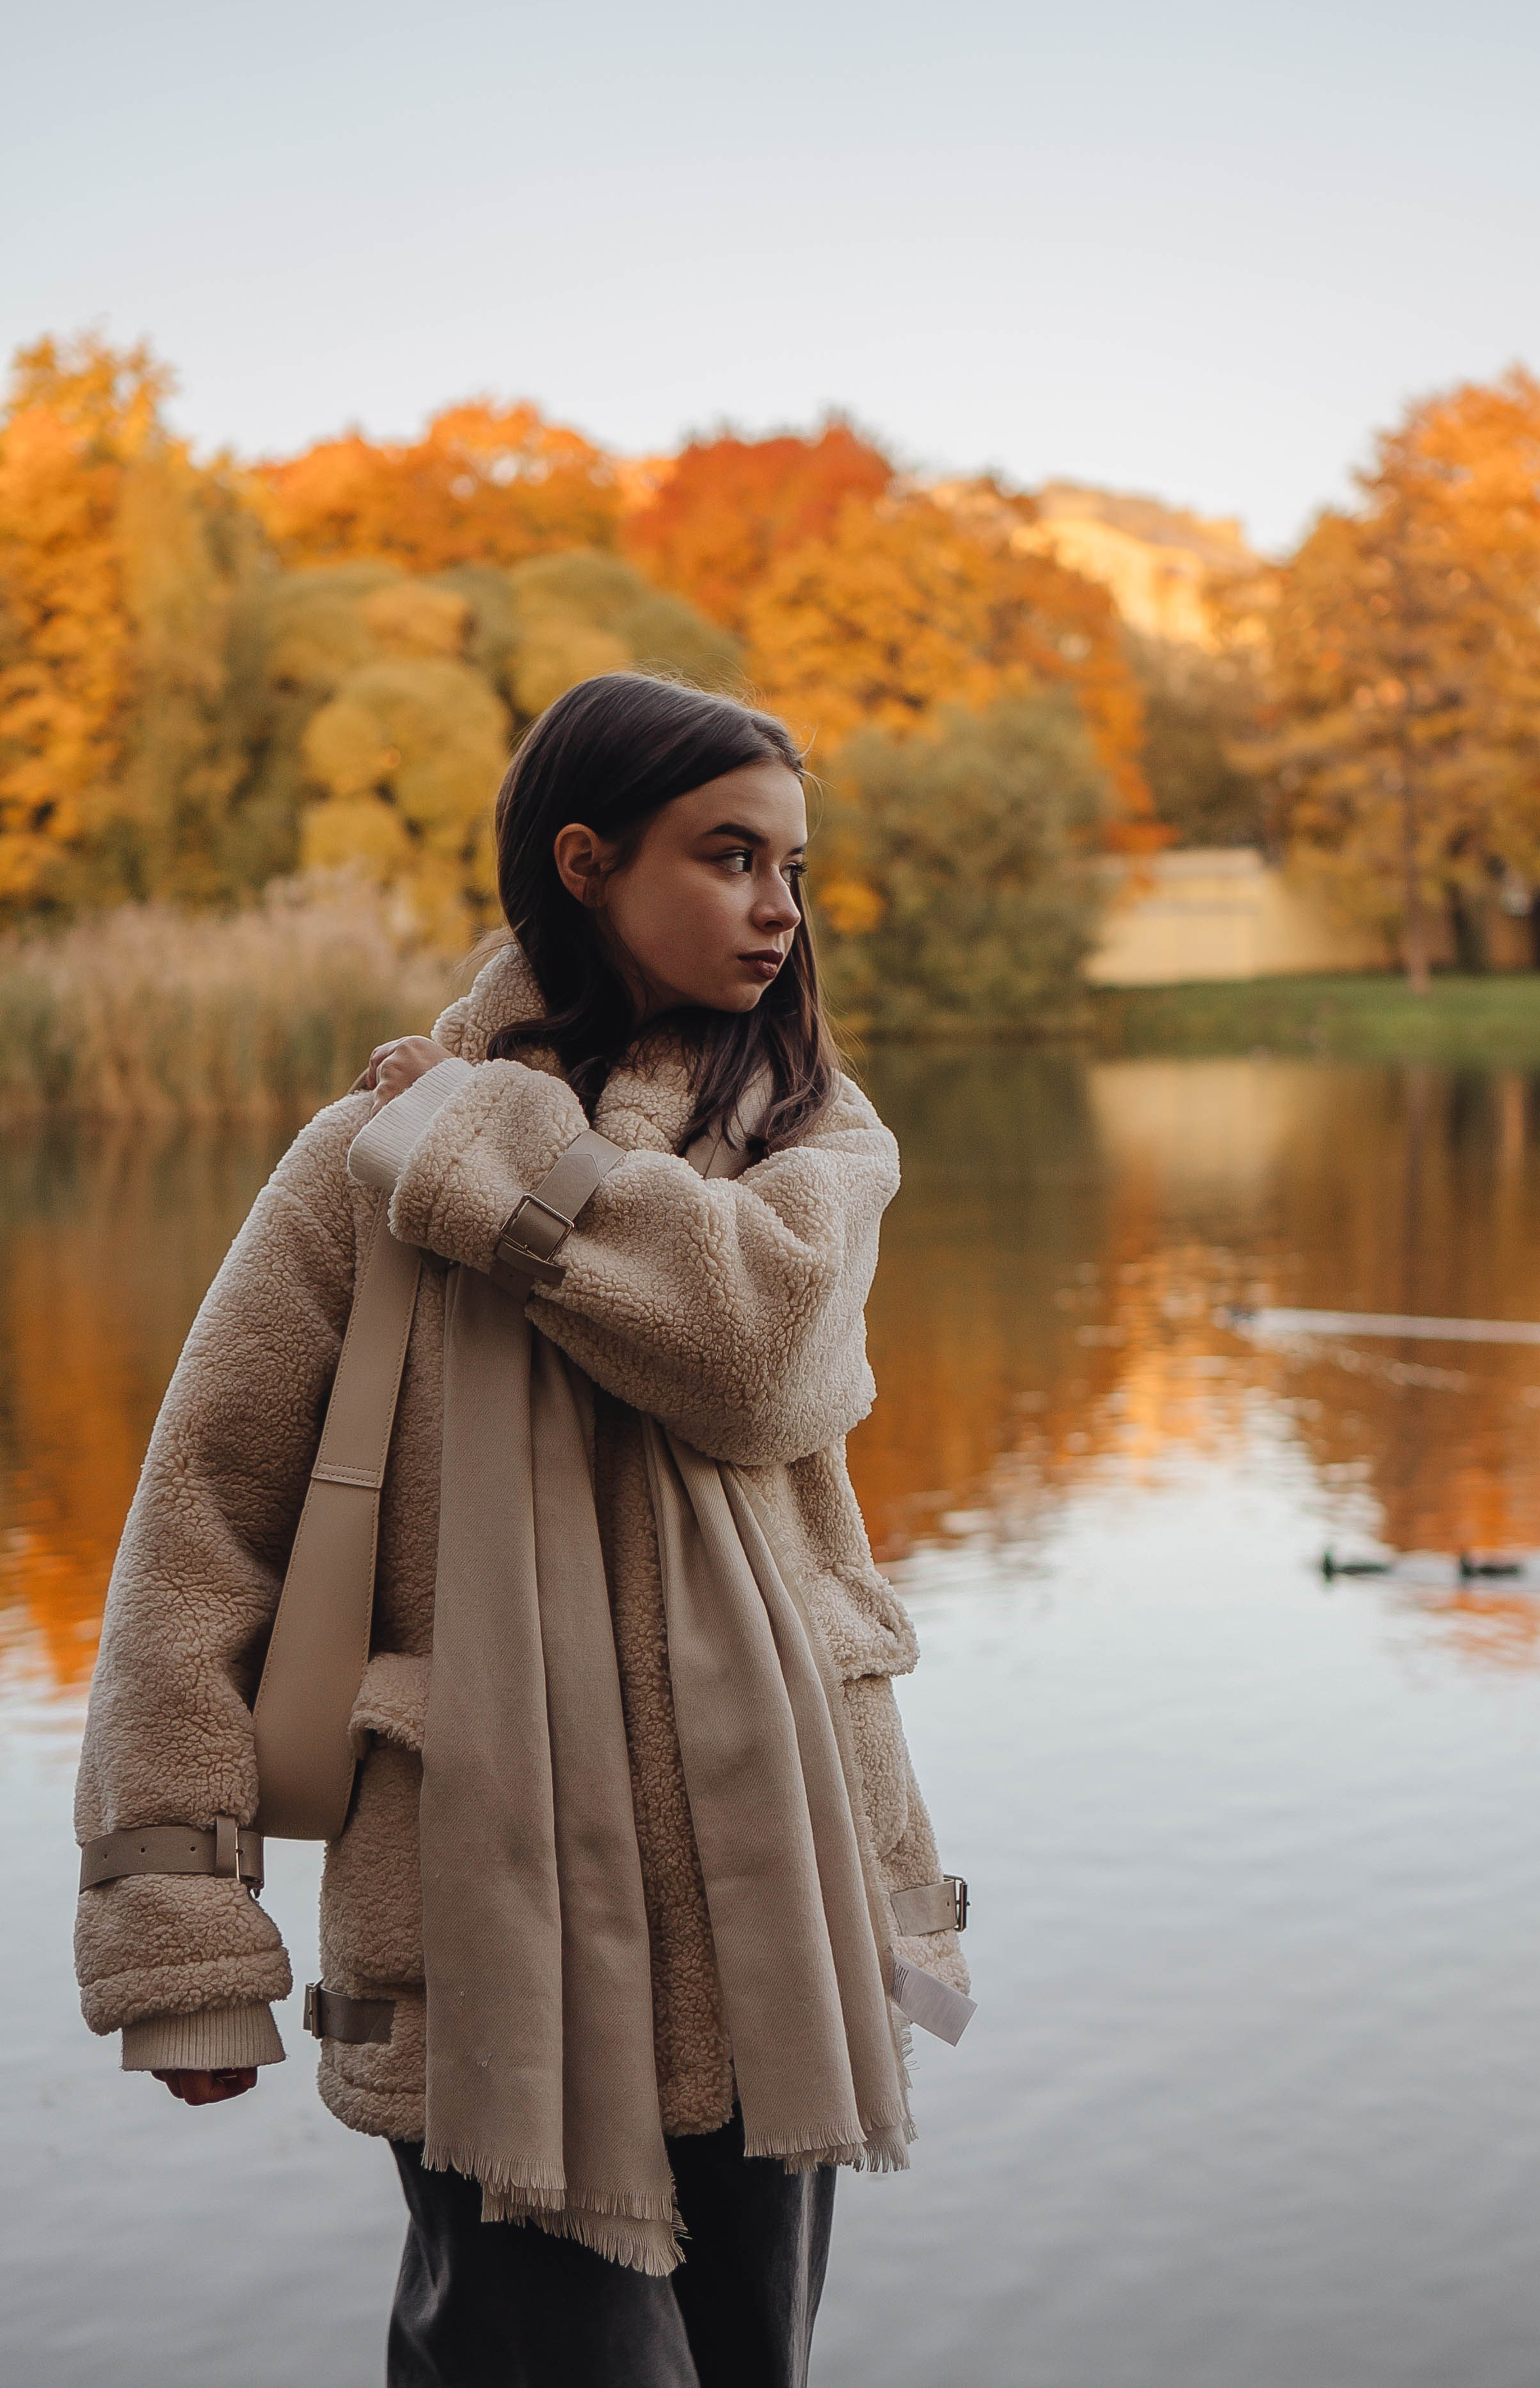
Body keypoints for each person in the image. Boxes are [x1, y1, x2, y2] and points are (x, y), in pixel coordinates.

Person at [72, 673, 969, 2388]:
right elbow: (201, 1534)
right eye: (730, 857)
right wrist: (179, 1930)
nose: (781, 908)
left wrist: (479, 1141)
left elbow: (762, 1355)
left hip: (775, 1912)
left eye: (794, 867)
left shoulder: (812, 1140)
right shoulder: (362, 1170)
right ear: (585, 861)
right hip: (488, 1923)